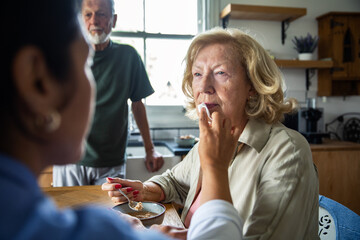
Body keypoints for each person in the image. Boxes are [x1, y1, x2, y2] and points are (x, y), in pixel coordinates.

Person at [0, 0, 244, 239]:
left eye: (221, 73)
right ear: (36, 81)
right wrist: (215, 168)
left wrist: (148, 169)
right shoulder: (96, 231)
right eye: (86, 63)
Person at [103, 27, 320, 239]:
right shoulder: (210, 140)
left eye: (220, 73)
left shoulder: (288, 152)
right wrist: (147, 190)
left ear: (252, 85)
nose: (204, 86)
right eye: (198, 74)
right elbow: (175, 181)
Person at [52, 0, 164, 187]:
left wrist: (149, 149)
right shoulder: (66, 56)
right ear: (81, 20)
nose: (94, 21)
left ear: (114, 20)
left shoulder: (128, 57)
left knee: (109, 213)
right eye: (88, 15)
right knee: (67, 213)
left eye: (102, 14)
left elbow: (138, 105)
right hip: (70, 158)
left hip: (111, 161)